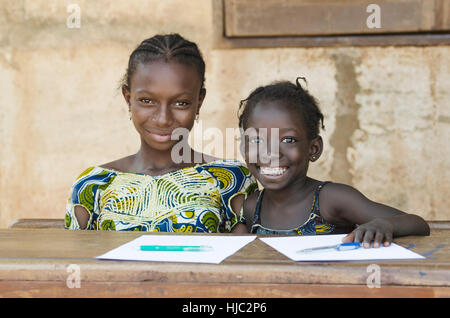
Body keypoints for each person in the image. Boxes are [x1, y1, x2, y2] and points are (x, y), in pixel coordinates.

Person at [64, 34, 257, 232]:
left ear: (199, 102)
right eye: (147, 101)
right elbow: (82, 259)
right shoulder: (94, 185)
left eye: (181, 103)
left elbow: (243, 258)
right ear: (128, 98)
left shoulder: (230, 179)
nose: (163, 118)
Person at [232, 78, 430, 248]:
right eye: (256, 140)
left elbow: (418, 224)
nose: (270, 153)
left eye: (288, 140)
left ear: (314, 149)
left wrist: (384, 225)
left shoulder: (330, 199)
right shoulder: (252, 206)